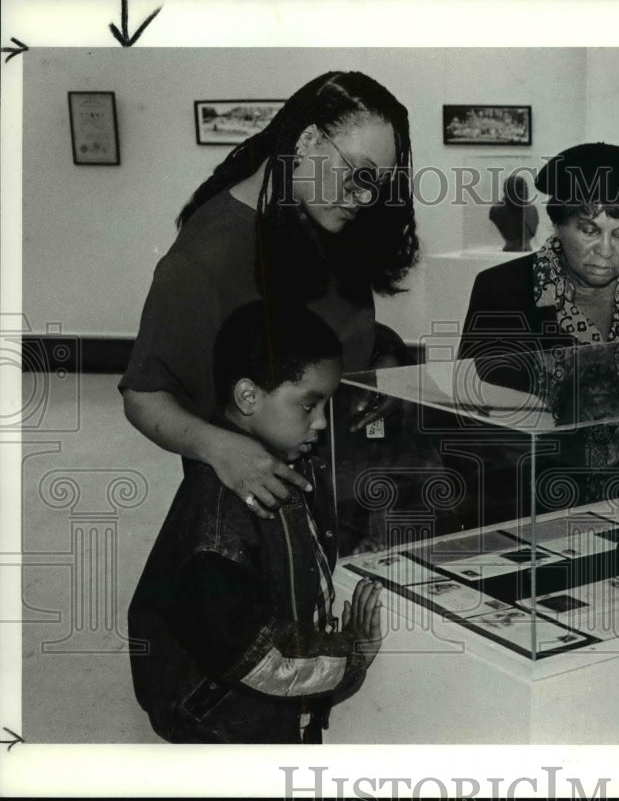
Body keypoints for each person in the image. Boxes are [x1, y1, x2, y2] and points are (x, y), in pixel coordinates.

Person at [119, 71, 418, 551]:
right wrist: (220, 447)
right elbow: (144, 395)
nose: (364, 199)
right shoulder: (203, 260)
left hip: (347, 495)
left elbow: (327, 331)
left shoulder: (323, 215)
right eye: (359, 176)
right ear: (307, 141)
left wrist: (381, 360)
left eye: (376, 186)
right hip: (267, 514)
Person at [128, 301, 383, 744]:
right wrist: (351, 656)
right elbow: (260, 660)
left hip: (268, 712)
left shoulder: (287, 462)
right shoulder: (220, 519)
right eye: (309, 405)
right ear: (248, 396)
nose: (322, 422)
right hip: (224, 729)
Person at [458, 142, 619, 522]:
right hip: (538, 495)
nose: (606, 250)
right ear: (558, 223)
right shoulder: (502, 289)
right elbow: (476, 415)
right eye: (589, 230)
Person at [488, 174, 539, 252]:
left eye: (525, 189)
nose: (523, 193)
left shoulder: (532, 210)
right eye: (518, 190)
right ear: (507, 192)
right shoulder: (497, 210)